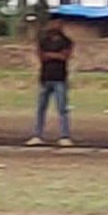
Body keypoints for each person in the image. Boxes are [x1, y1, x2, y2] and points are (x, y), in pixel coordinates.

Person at [26, 18, 74, 147]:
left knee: (62, 108)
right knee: (41, 108)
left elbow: (64, 57)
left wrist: (51, 55)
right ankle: (37, 135)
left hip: (60, 79)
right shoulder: (44, 41)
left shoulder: (66, 41)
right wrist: (56, 55)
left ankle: (64, 136)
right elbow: (42, 56)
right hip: (45, 78)